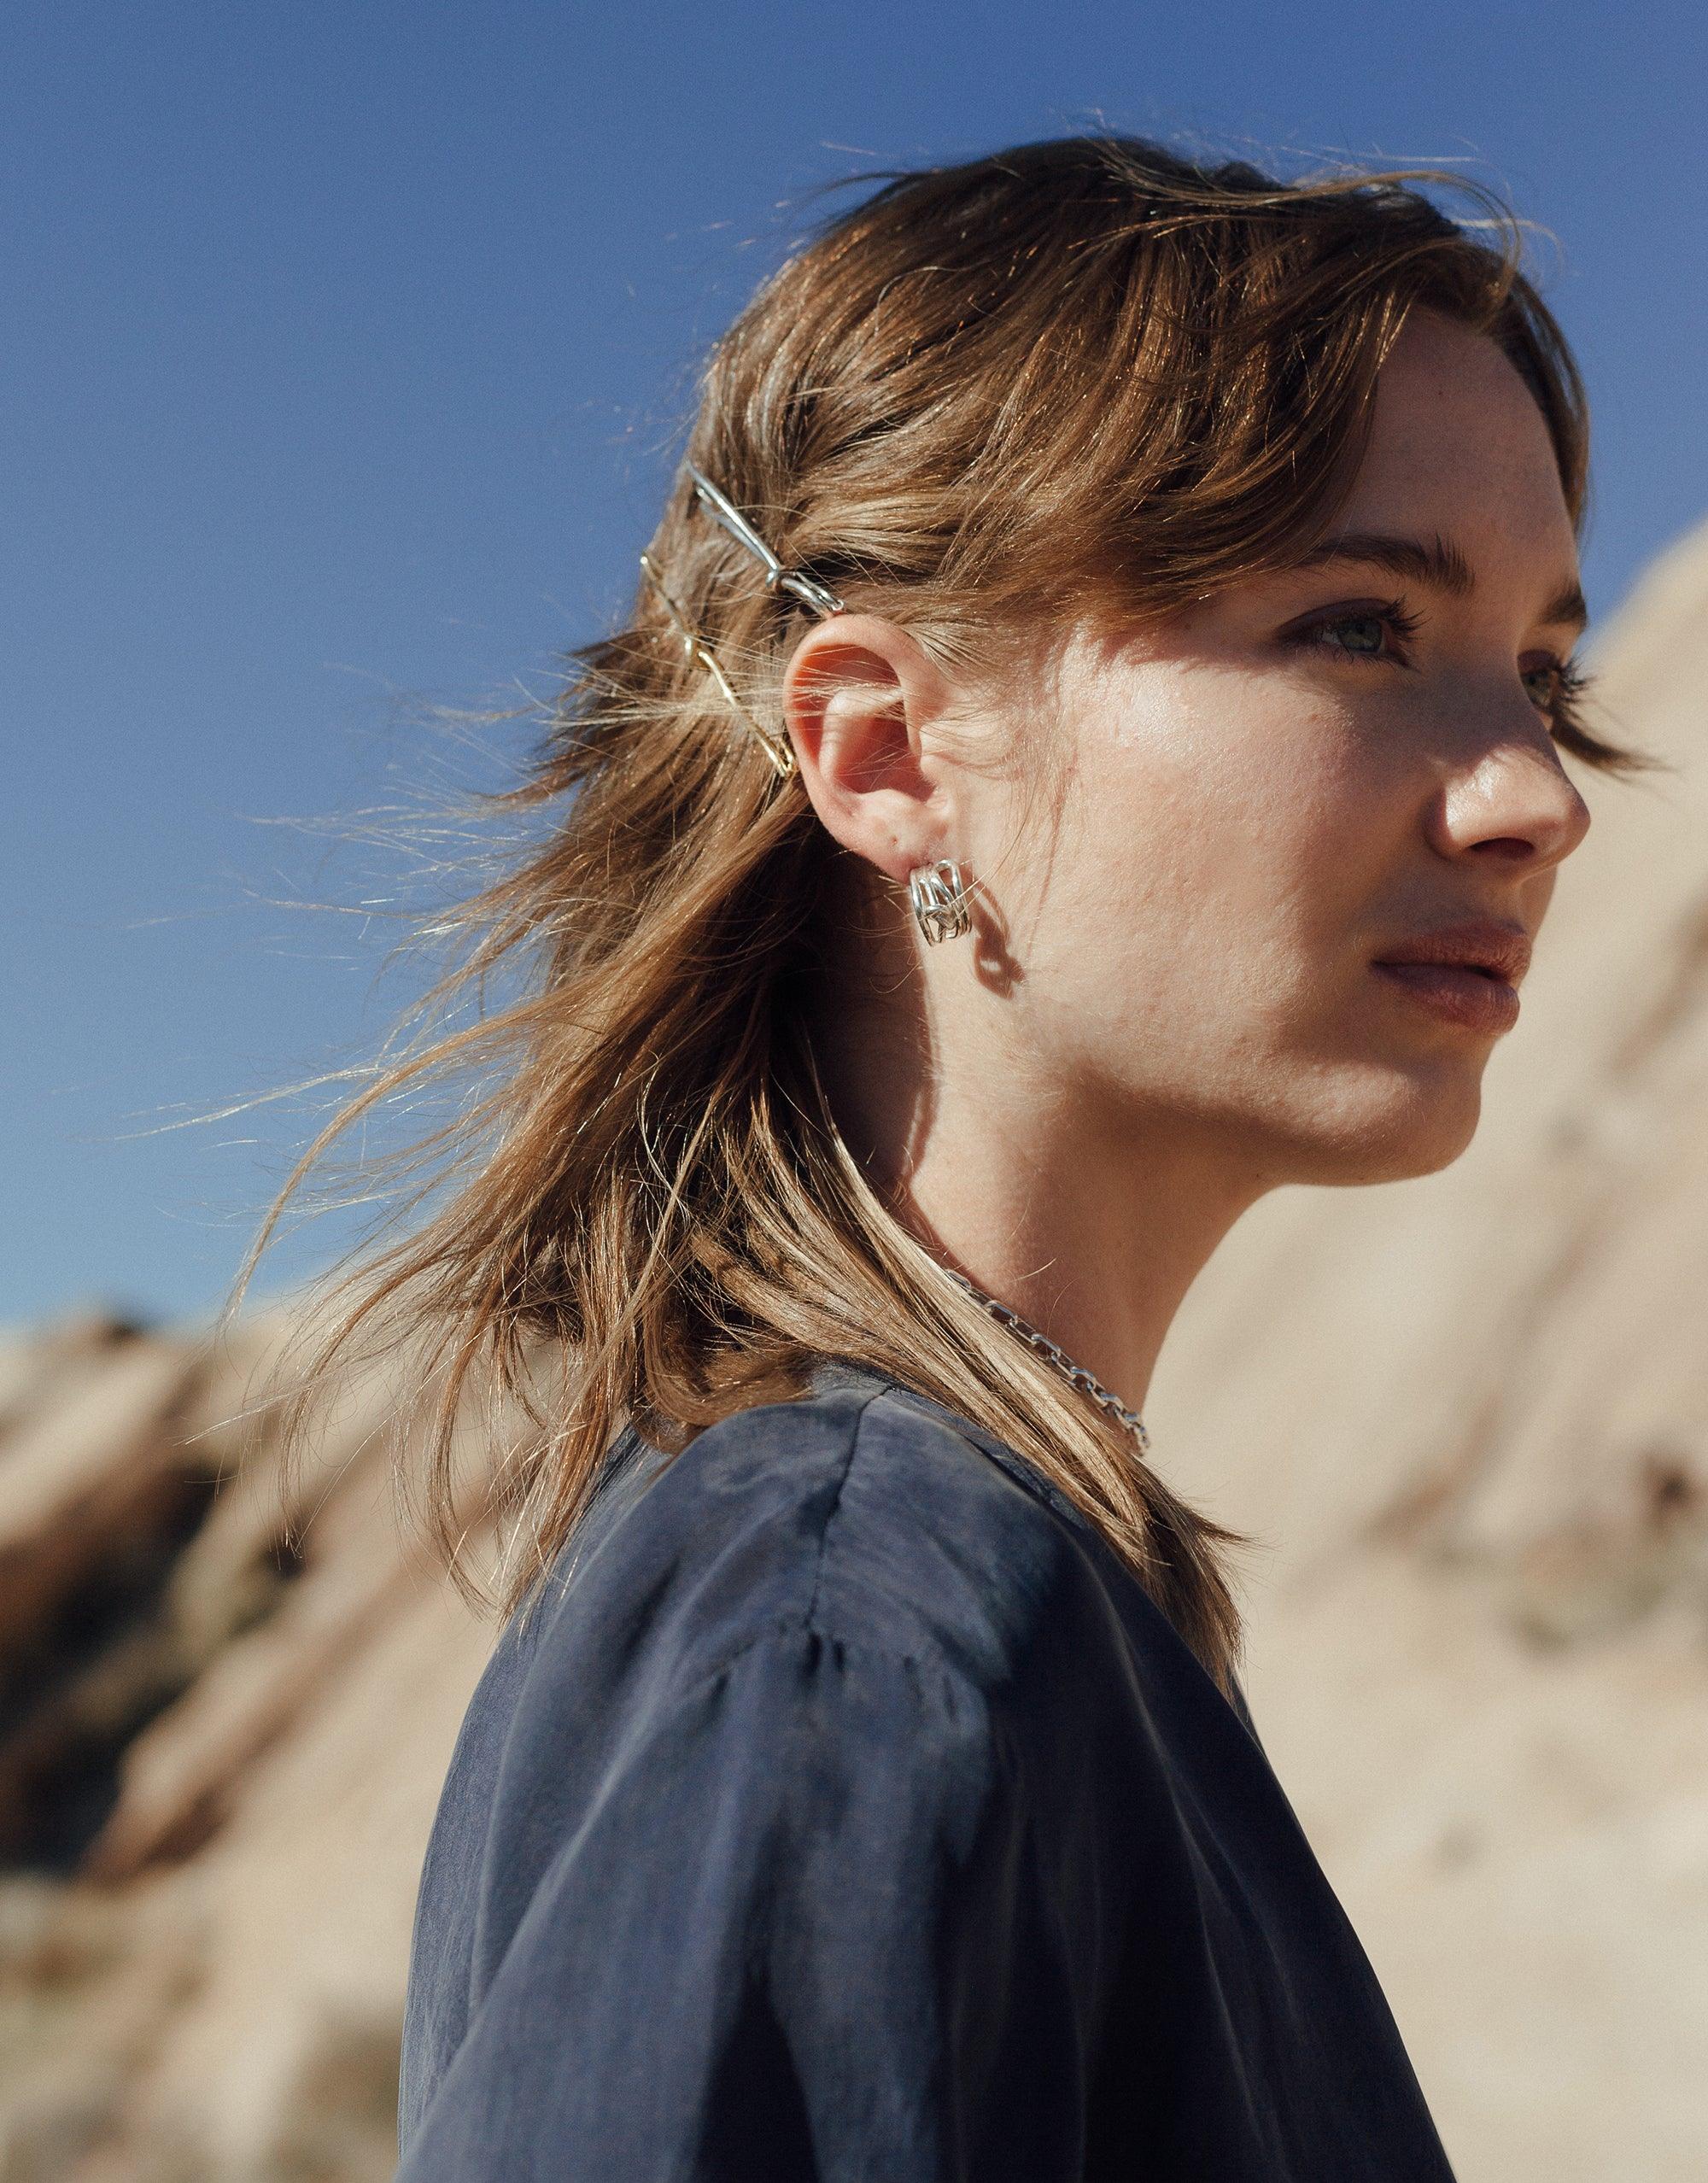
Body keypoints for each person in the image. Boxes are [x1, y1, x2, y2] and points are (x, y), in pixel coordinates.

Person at [247, 133, 1653, 2180]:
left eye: (1540, 675)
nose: (1535, 792)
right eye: (1361, 627)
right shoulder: (849, 1630)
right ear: (891, 754)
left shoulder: (967, 1581)